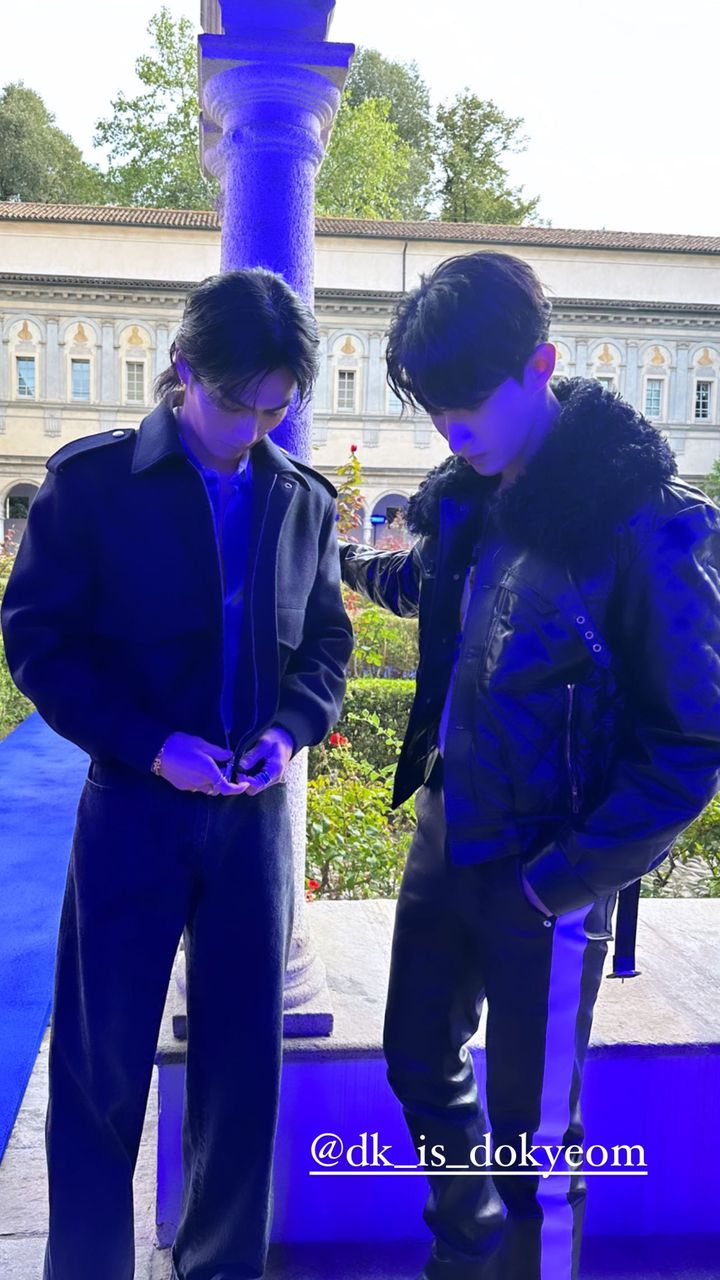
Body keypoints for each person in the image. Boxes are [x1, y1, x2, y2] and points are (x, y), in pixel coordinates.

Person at [339, 250, 720, 1280]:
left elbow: (690, 744)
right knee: (416, 1058)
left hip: (551, 871)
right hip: (448, 835)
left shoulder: (650, 523)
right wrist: (341, 565)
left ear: (539, 364)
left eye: (469, 401)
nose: (451, 429)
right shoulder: (468, 498)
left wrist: (558, 883)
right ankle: (467, 1253)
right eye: (435, 407)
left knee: (534, 1140)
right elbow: (432, 587)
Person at [1, 268, 353, 1280]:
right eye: (235, 402)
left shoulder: (300, 500)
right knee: (99, 1067)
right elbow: (39, 643)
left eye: (274, 409)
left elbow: (326, 647)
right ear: (182, 367)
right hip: (134, 810)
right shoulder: (94, 486)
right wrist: (153, 745)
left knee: (243, 1075)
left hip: (253, 824)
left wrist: (290, 732)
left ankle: (220, 1266)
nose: (250, 429)